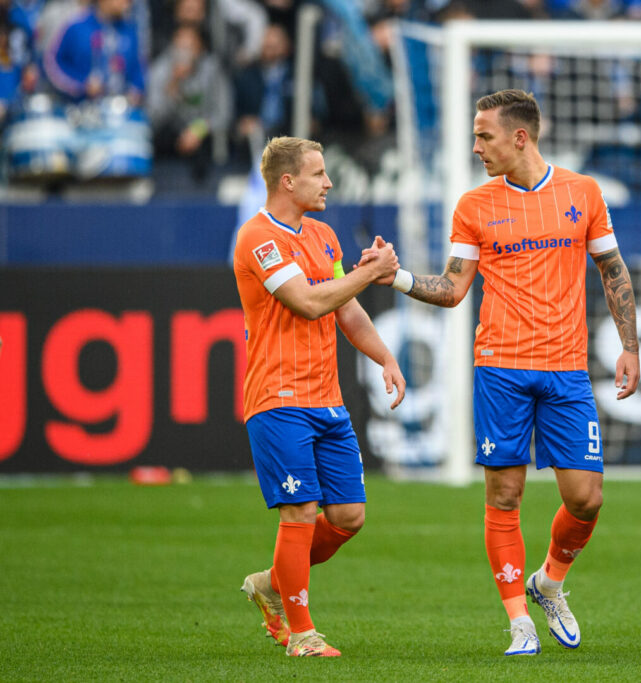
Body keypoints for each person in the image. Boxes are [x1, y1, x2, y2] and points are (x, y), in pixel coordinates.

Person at [368, 89, 640, 656]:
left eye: (484, 136)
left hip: (566, 369)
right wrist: (394, 278)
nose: (475, 147)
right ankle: (519, 619)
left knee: (587, 498)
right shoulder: (474, 205)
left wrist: (630, 346)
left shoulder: (582, 192)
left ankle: (549, 583)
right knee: (505, 495)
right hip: (501, 367)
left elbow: (612, 269)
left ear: (521, 137)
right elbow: (451, 288)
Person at [233, 136, 406, 657]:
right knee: (301, 512)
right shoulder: (259, 239)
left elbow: (345, 310)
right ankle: (301, 634)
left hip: (325, 398)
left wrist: (385, 357)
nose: (329, 182)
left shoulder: (325, 236)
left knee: (349, 516)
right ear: (289, 181)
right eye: (319, 174)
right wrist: (369, 272)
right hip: (278, 398)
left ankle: (271, 581)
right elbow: (308, 303)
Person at [146, 24, 232, 182]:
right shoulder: (160, 69)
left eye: (189, 47)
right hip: (167, 135)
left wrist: (197, 130)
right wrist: (173, 85)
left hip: (203, 136)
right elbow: (153, 117)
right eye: (179, 47)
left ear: (200, 48)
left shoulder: (213, 70)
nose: (184, 53)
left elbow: (224, 114)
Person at [42, 0, 145, 105]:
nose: (127, 2)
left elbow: (138, 68)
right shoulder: (76, 27)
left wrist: (135, 90)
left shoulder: (130, 30)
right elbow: (52, 63)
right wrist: (82, 85)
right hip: (79, 110)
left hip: (119, 111)